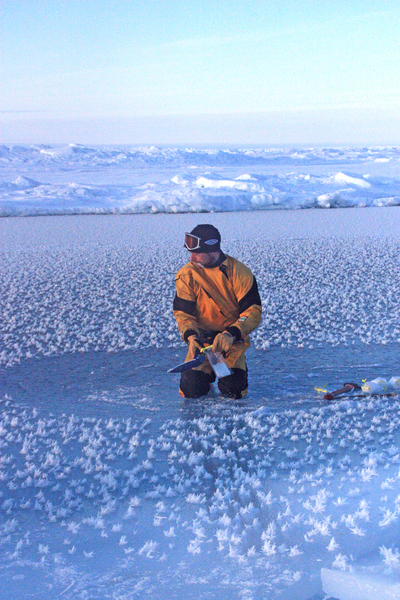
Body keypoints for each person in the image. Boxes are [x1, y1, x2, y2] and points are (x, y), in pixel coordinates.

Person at [173, 224, 262, 399]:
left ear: (212, 251)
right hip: (201, 344)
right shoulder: (186, 274)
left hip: (231, 342)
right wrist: (191, 337)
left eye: (197, 253)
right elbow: (184, 314)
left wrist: (232, 333)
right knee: (191, 390)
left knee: (233, 390)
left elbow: (253, 312)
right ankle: (205, 370)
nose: (191, 258)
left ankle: (237, 366)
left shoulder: (239, 272)